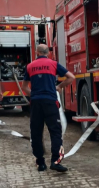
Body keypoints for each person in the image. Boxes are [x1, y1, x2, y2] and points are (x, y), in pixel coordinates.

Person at [22, 44, 75, 172]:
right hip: (51, 102)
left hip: (36, 104)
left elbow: (24, 87)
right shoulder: (53, 64)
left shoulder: (30, 66)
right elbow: (71, 77)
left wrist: (33, 95)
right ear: (47, 53)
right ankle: (55, 161)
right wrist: (60, 86)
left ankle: (40, 163)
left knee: (36, 132)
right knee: (55, 132)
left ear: (37, 52)